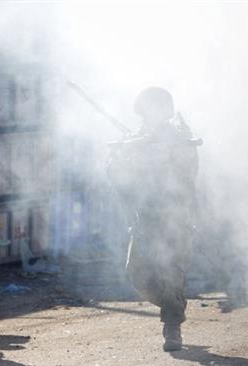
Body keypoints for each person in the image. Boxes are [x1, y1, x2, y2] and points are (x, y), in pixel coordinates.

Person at [107, 87, 199, 351]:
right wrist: (120, 158)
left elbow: (186, 175)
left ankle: (172, 325)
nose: (152, 114)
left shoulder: (181, 138)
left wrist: (160, 153)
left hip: (174, 217)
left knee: (171, 274)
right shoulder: (135, 139)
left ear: (166, 111)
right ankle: (173, 305)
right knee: (136, 274)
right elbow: (118, 176)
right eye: (147, 109)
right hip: (144, 218)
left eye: (156, 108)